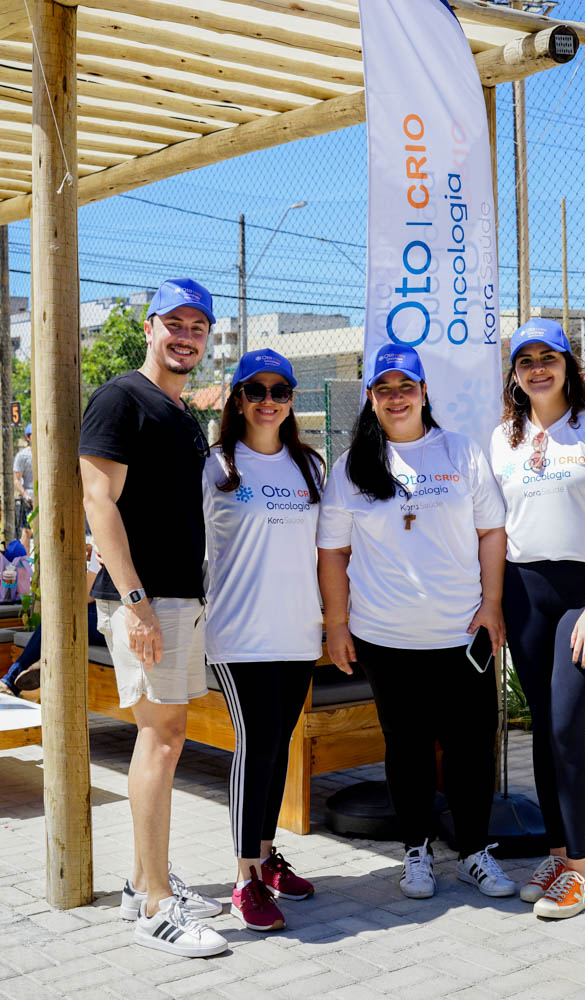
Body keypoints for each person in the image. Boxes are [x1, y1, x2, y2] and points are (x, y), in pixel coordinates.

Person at [317, 343, 516, 901]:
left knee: (471, 748)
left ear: (425, 393)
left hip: (461, 635)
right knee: (405, 748)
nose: (397, 397)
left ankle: (475, 852)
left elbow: (491, 532)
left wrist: (492, 605)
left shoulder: (460, 452)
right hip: (386, 637)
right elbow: (332, 551)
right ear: (372, 399)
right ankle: (416, 852)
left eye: (407, 387)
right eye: (385, 389)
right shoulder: (353, 466)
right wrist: (337, 623)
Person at [79, 278, 227, 958]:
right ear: (149, 326)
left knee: (165, 736)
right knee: (161, 741)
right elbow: (98, 502)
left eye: (198, 326)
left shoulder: (177, 409)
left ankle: (147, 881)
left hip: (177, 596)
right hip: (147, 600)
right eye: (175, 323)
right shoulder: (121, 398)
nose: (186, 335)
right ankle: (154, 908)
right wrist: (135, 602)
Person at [490, 318, 585, 920]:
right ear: (516, 374)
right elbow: (495, 529)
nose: (537, 369)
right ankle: (557, 852)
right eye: (525, 361)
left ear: (567, 365)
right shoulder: (505, 435)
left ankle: (581, 872)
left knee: (565, 727)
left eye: (547, 358)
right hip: (526, 592)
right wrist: (494, 604)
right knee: (542, 730)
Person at [204, 349, 324, 932]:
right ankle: (243, 877)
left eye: (281, 390)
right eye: (256, 390)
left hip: (297, 632)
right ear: (238, 399)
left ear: (292, 399)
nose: (269, 400)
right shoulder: (216, 466)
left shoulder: (311, 467)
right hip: (240, 634)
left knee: (277, 746)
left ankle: (268, 855)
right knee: (255, 744)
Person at [0, 541, 104, 697]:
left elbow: (86, 594)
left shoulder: (105, 540)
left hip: (117, 623)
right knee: (66, 619)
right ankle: (42, 661)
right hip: (124, 617)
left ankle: (10, 682)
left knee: (58, 619)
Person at [13, 424, 33, 552]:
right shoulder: (22, 456)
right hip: (29, 498)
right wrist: (25, 495)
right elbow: (16, 480)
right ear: (27, 437)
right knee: (27, 530)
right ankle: (24, 563)